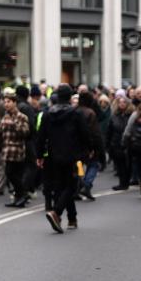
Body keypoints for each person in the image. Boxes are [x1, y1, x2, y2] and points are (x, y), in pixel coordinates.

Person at [36, 84, 90, 232]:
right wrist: (89, 151)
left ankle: (72, 218)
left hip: (54, 155)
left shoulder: (47, 114)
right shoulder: (76, 114)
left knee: (61, 186)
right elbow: (85, 134)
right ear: (70, 96)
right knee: (72, 186)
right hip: (73, 155)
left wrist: (39, 155)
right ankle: (57, 212)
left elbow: (41, 137)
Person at [0, 89, 30, 207]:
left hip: (17, 150)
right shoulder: (5, 116)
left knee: (12, 173)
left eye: (8, 102)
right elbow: (2, 130)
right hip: (7, 149)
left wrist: (14, 125)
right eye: (5, 102)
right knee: (11, 174)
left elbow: (25, 132)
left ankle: (23, 194)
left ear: (14, 103)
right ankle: (19, 197)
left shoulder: (21, 116)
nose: (6, 104)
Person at [107, 96, 134, 191]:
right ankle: (122, 183)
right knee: (120, 164)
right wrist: (108, 144)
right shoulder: (114, 115)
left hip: (128, 143)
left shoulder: (131, 115)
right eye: (120, 102)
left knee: (128, 164)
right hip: (116, 143)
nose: (122, 104)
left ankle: (126, 181)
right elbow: (109, 130)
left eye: (124, 102)